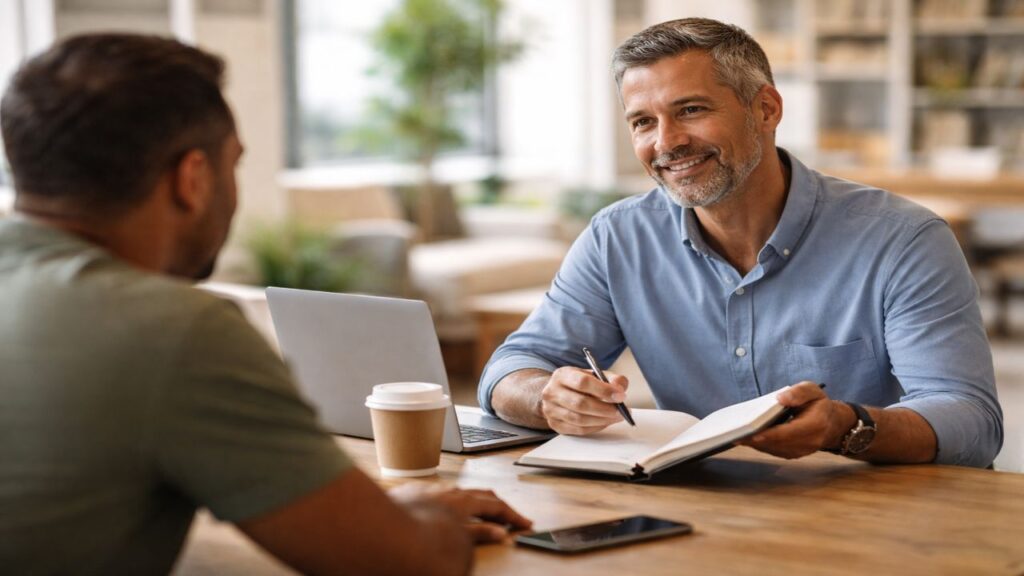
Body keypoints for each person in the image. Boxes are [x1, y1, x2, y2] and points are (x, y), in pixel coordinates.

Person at [0, 33, 530, 575]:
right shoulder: (174, 331)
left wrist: (360, 512)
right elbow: (405, 562)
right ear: (193, 179)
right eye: (235, 164)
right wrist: (424, 523)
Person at [479, 18, 1002, 469]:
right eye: (643, 121)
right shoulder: (617, 238)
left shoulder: (903, 240)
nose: (666, 143)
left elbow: (971, 422)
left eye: (690, 110)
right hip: (703, 506)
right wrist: (547, 398)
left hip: (868, 508)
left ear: (767, 110)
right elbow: (512, 368)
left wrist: (846, 425)